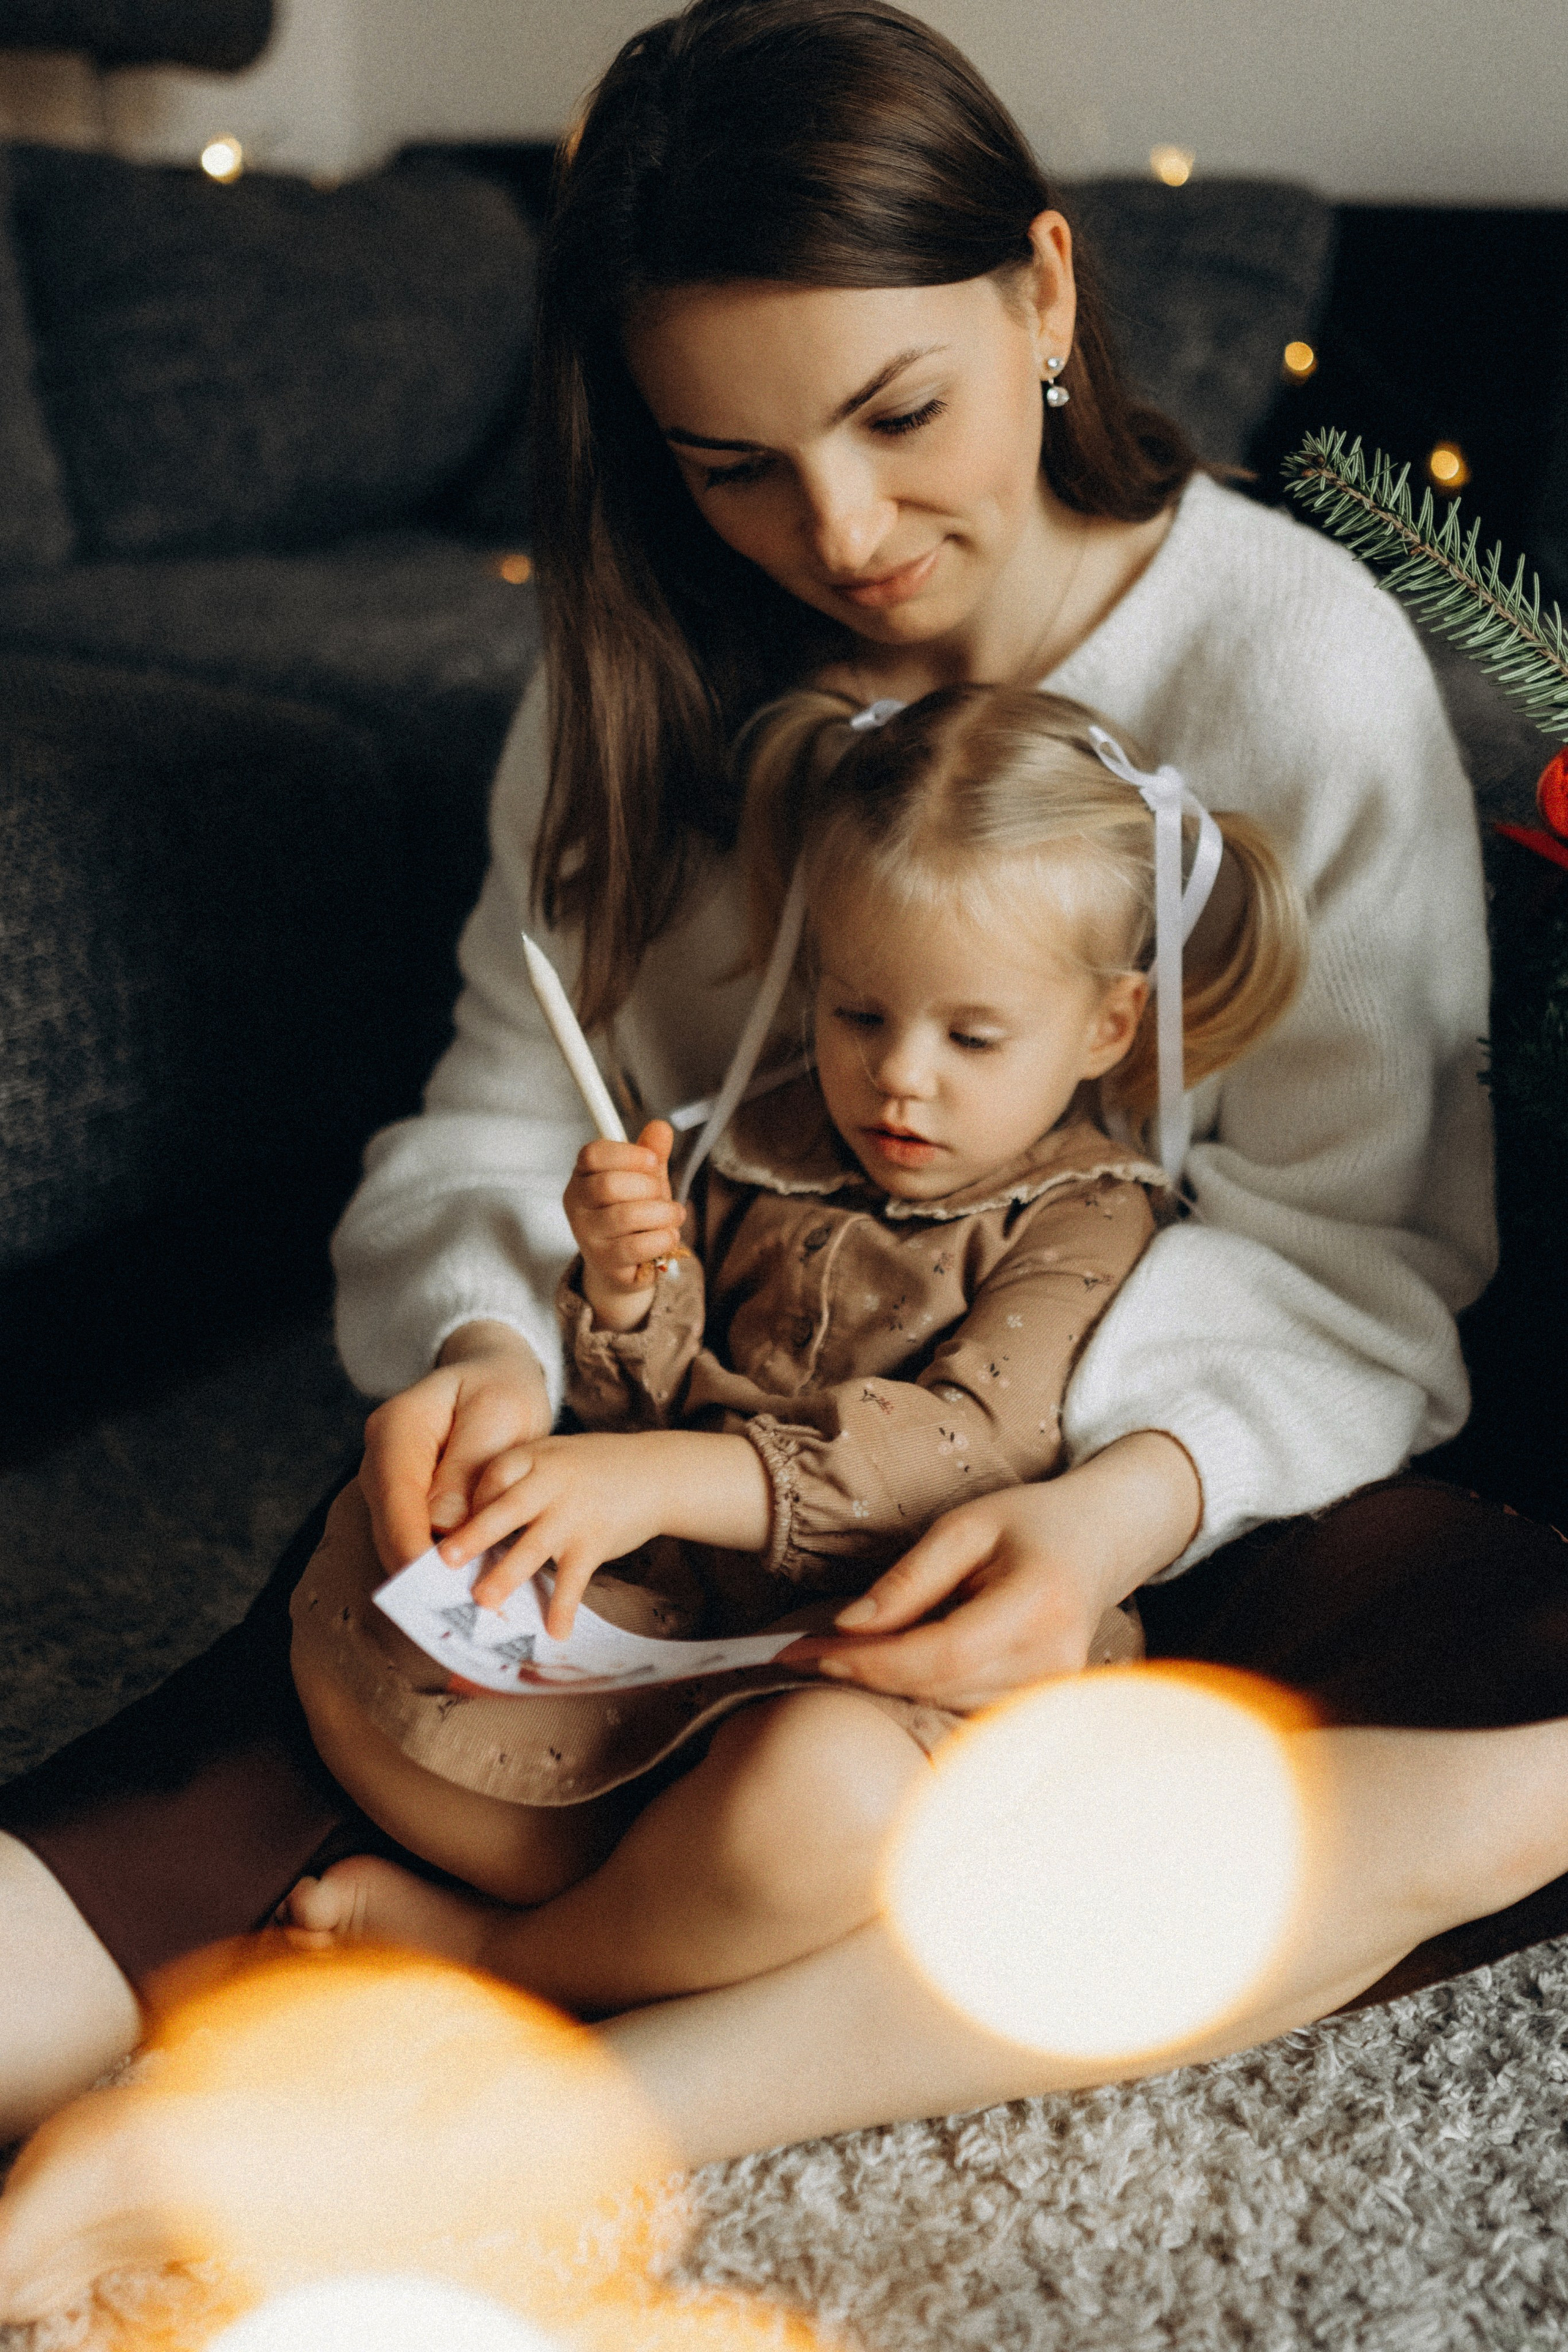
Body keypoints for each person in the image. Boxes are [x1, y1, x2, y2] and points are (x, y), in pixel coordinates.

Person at [4, 0, 1568, 2272]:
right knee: (203, 1809)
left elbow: (1359, 1247)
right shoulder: (642, 663)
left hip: (1100, 1501)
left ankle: (483, 2084)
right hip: (656, 1514)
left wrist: (1111, 1510)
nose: (837, 533)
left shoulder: (1290, 662)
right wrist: (479, 1356)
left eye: (896, 414)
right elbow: (504, 1107)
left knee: (1508, 1762)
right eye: (729, 462)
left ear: (1044, 294)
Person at [278, 682, 1305, 1976]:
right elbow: (641, 1403)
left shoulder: (1088, 1217)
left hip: (879, 1665)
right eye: (856, 1012)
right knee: (383, 1577)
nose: (898, 1077)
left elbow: (965, 1445)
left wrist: (661, 1476)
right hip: (683, 1616)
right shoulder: (761, 1133)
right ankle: (661, 1913)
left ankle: (514, 1958)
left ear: (1106, 1026)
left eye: (971, 1035)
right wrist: (626, 1290)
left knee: (812, 1798)